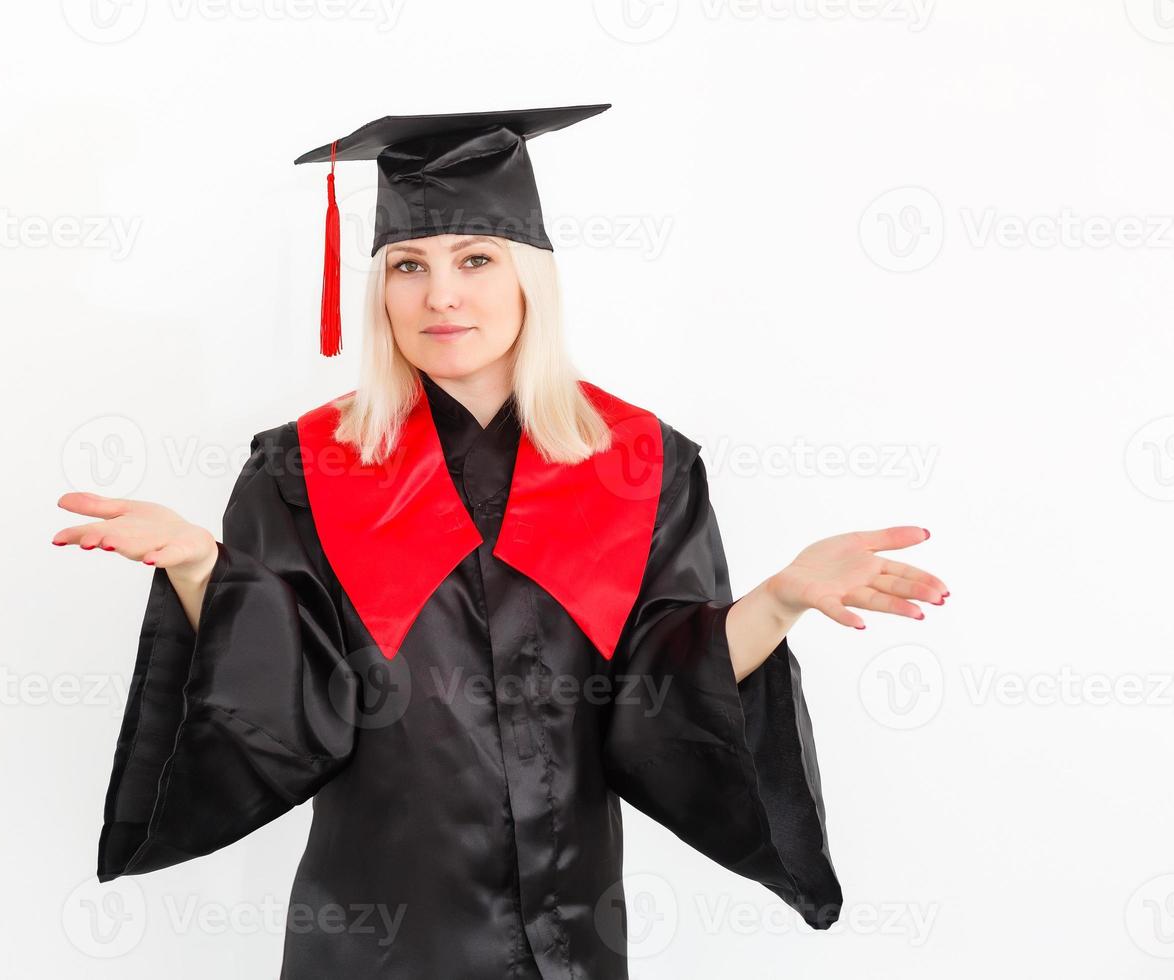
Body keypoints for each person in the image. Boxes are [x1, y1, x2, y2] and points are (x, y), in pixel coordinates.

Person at [51, 104, 948, 979]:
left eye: (475, 258)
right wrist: (203, 566)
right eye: (407, 266)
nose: (440, 294)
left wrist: (781, 597)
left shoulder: (643, 464)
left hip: (573, 935)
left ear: (530, 275)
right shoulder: (301, 469)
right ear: (381, 292)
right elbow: (286, 696)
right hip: (374, 941)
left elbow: (665, 695)